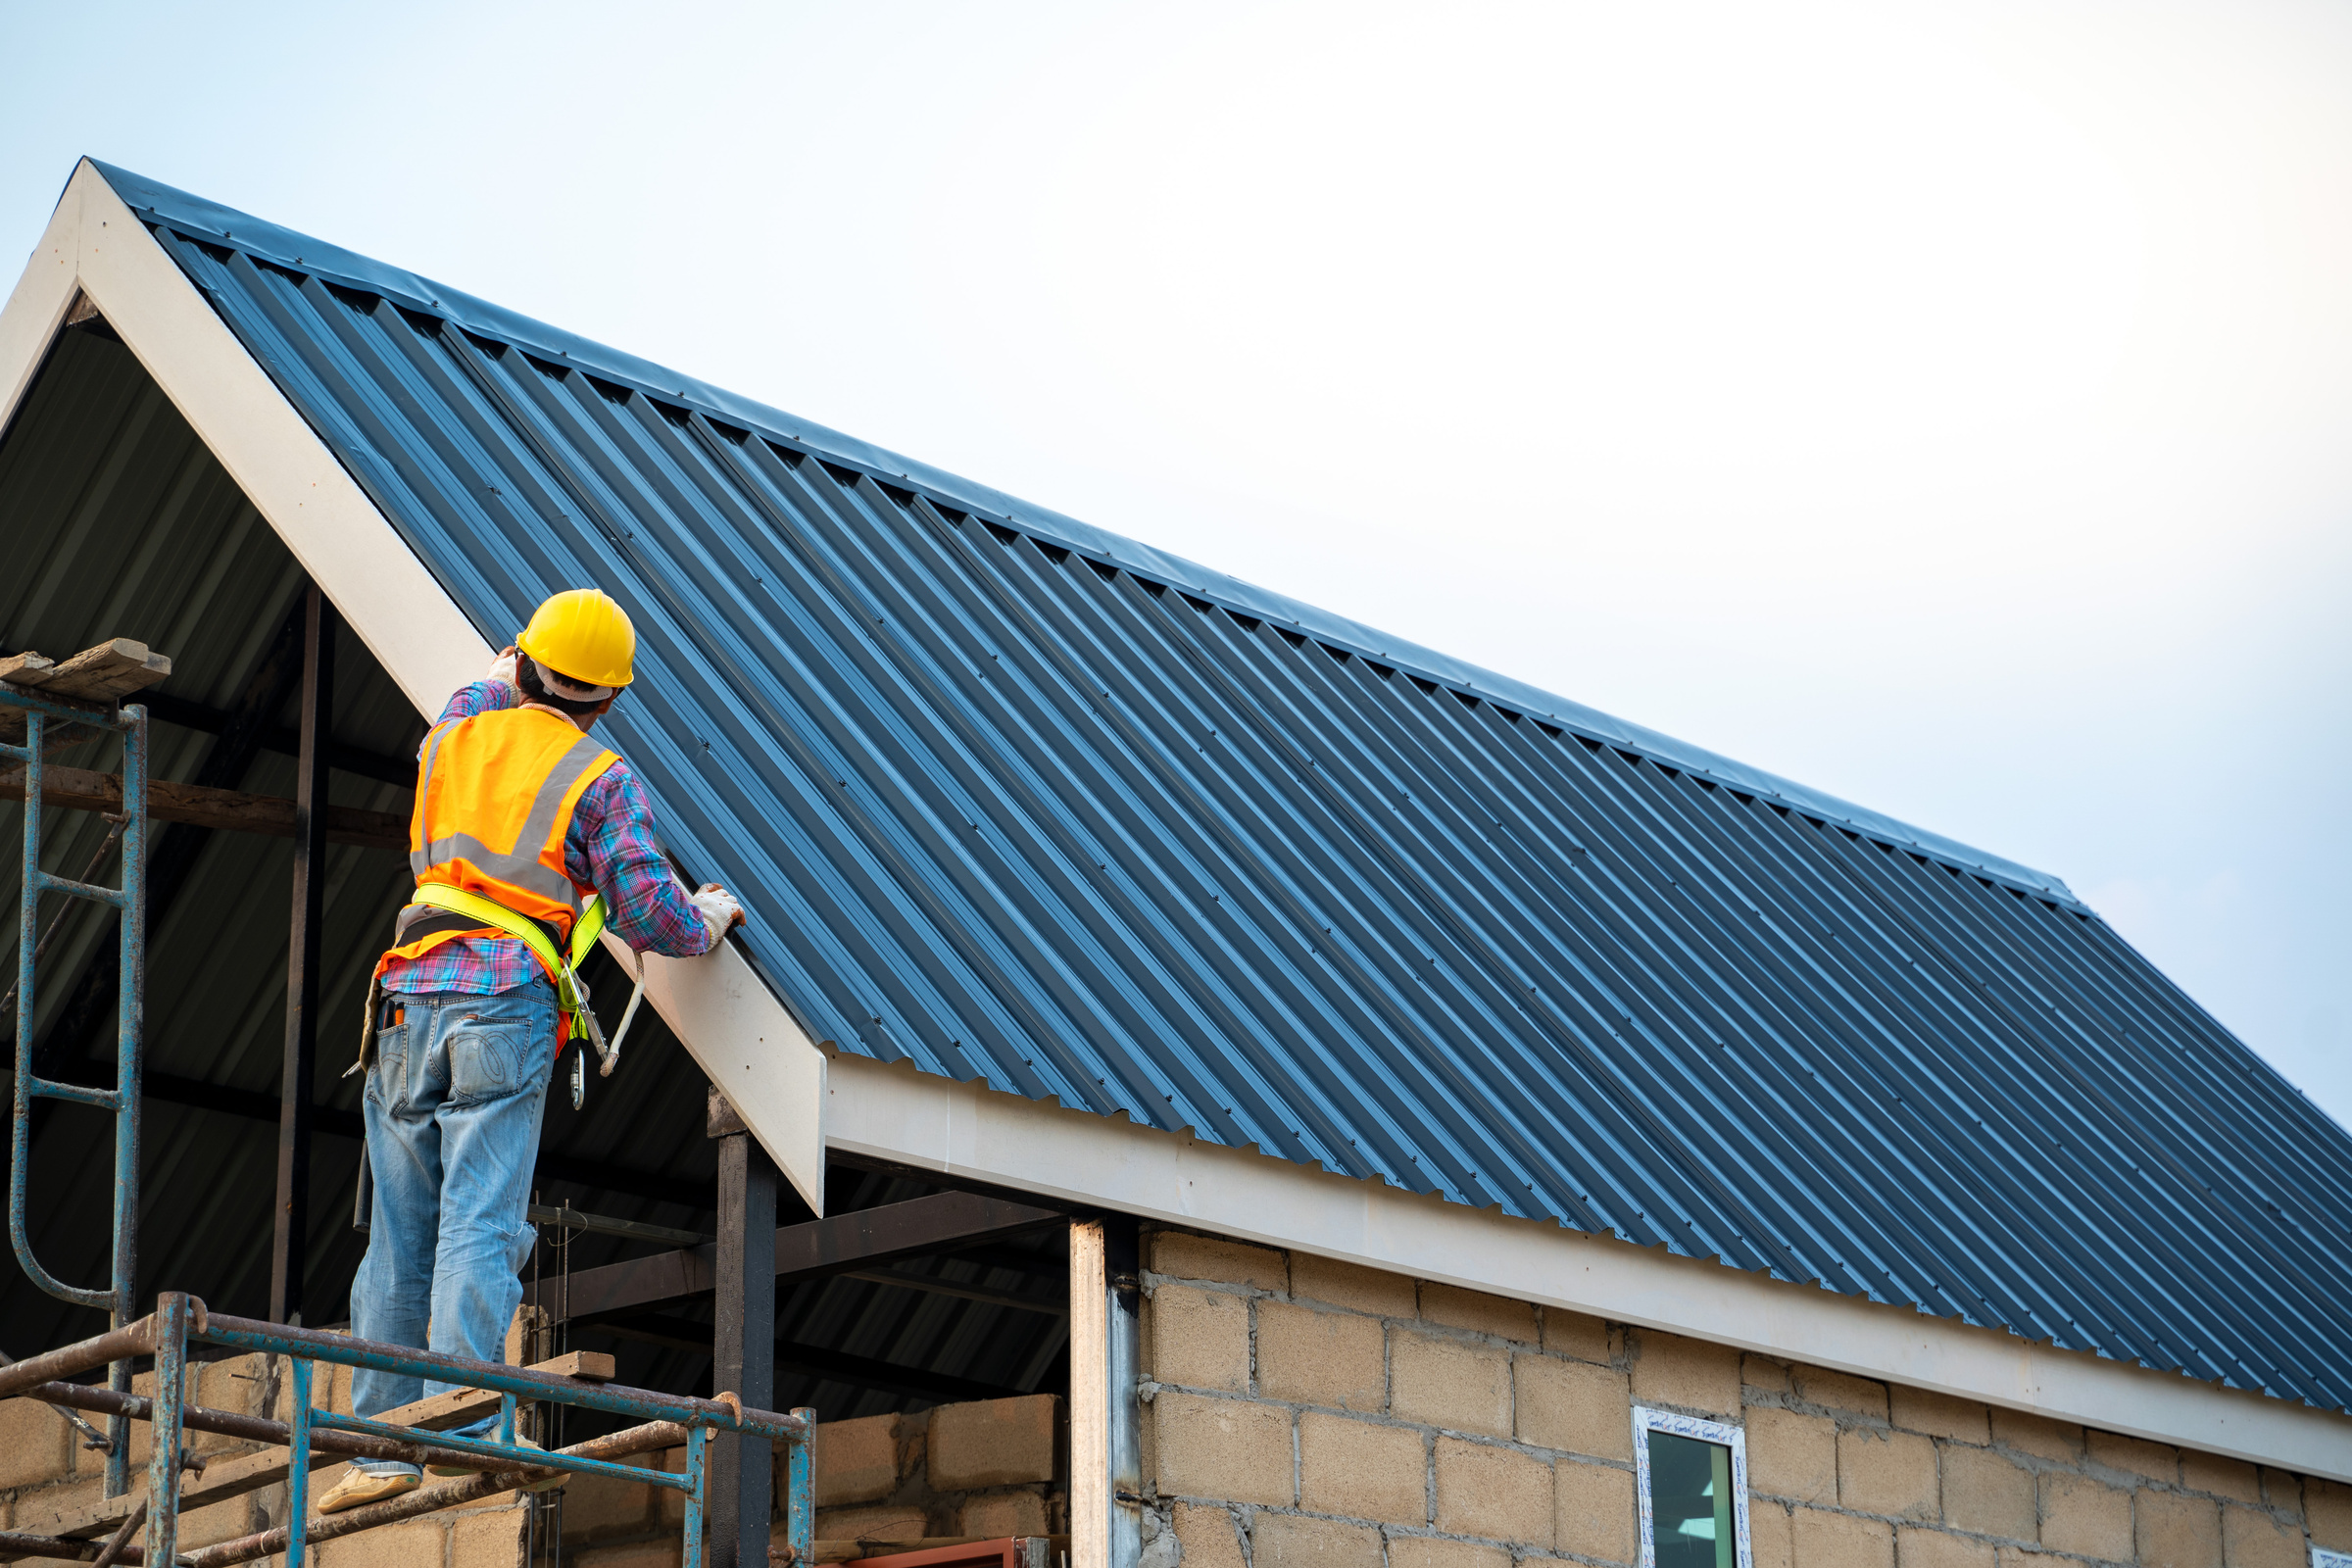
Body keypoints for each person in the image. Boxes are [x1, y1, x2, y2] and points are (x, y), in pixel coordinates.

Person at [319, 588, 747, 1514]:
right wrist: (708, 918)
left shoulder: (452, 739)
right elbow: (649, 915)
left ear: (526, 666)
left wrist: (506, 667)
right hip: (501, 1001)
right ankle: (467, 1431)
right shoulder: (601, 778)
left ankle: (380, 1451)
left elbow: (477, 692)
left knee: (399, 1229)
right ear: (611, 697)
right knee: (478, 1223)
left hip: (404, 991)